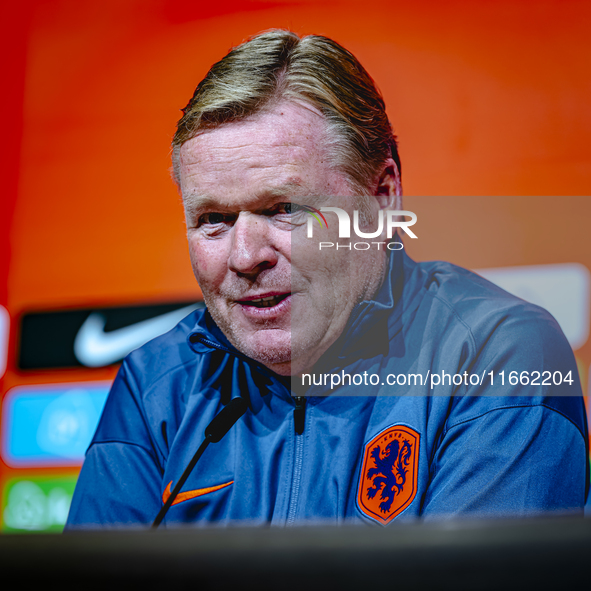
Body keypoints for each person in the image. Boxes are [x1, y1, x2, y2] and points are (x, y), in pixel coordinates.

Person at [66, 30, 588, 528]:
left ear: (381, 198)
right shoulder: (155, 386)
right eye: (213, 220)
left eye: (284, 208)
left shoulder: (495, 355)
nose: (245, 256)